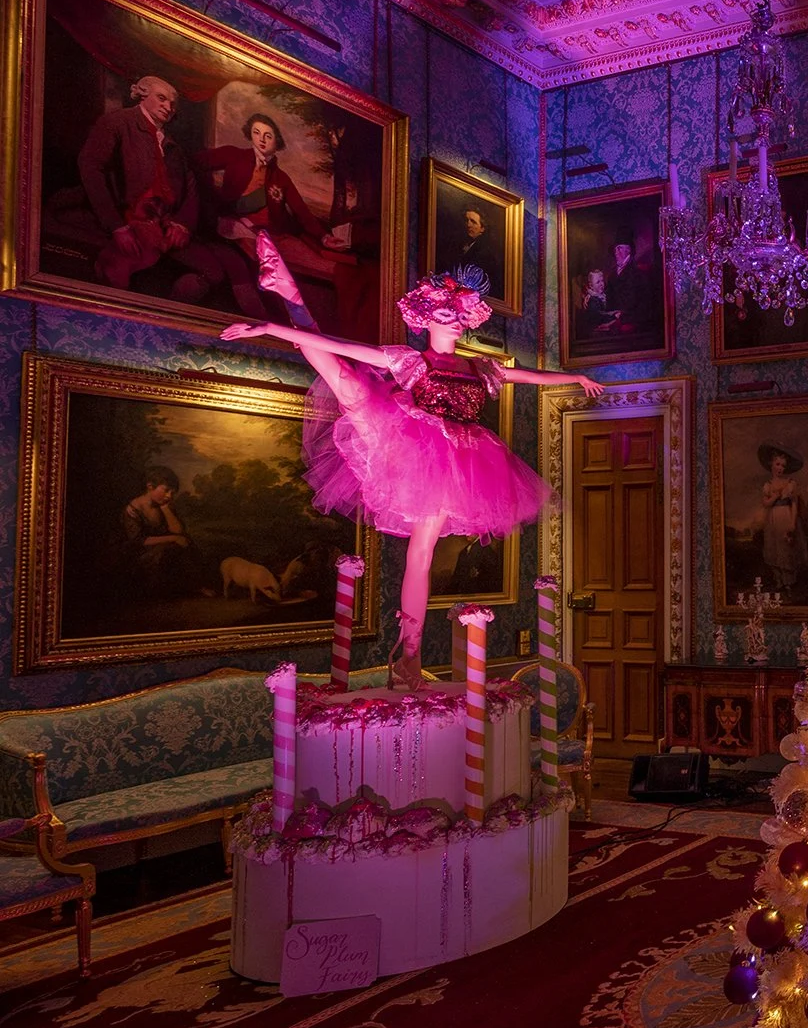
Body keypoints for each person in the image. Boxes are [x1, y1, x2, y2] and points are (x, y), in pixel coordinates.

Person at [223, 232, 604, 687]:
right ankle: (289, 293)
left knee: (422, 552)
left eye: (459, 316)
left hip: (459, 459)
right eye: (445, 315)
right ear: (426, 321)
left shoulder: (481, 367)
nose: (455, 322)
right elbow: (344, 346)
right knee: (339, 372)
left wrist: (574, 378)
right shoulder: (411, 360)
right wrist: (269, 329)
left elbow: (531, 376)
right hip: (409, 440)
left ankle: (409, 653)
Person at [187, 113, 332, 319]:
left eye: (268, 135)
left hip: (274, 234)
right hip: (236, 226)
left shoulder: (281, 178)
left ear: (276, 142)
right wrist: (211, 198)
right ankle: (269, 317)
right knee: (261, 260)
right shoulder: (235, 155)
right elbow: (193, 162)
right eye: (257, 133)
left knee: (317, 263)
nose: (261, 139)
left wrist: (324, 237)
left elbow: (302, 213)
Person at [78, 75, 200, 294]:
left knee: (210, 271)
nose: (168, 107)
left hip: (162, 224)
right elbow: (91, 168)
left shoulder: (173, 145)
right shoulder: (117, 123)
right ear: (142, 95)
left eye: (172, 104)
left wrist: (182, 224)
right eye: (161, 98)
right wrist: (116, 226)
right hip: (126, 218)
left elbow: (190, 187)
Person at [118, 465, 201, 599]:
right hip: (140, 552)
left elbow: (178, 531)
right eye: (166, 490)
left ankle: (194, 585)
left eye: (172, 493)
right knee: (166, 550)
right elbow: (139, 540)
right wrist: (173, 538)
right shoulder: (133, 510)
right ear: (150, 487)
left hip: (160, 546)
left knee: (186, 541)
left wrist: (165, 509)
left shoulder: (163, 504)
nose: (169, 496)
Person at [757, 443, 804, 593]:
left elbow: (794, 504)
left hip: (786, 516)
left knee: (786, 547)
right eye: (777, 464)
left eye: (783, 466)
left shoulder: (790, 484)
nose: (780, 468)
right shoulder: (768, 485)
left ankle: (789, 581)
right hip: (773, 519)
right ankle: (778, 580)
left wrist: (792, 522)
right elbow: (765, 503)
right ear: (771, 464)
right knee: (774, 547)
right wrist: (774, 497)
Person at [455, 207, 502, 292]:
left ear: (482, 228)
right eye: (466, 220)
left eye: (473, 222)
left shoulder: (485, 253)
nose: (468, 225)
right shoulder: (457, 244)